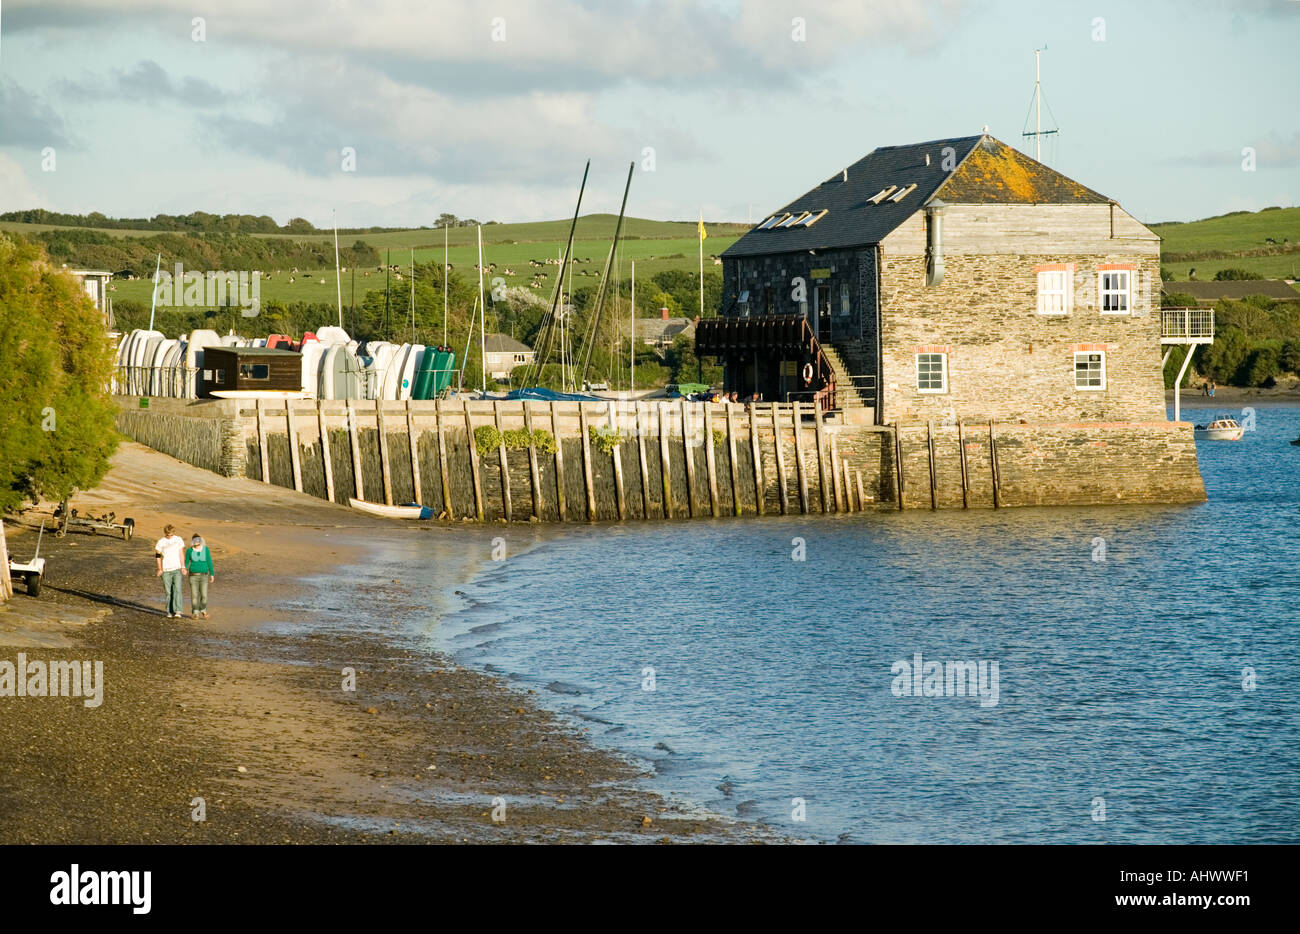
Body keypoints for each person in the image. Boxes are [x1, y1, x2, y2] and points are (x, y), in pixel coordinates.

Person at [154, 524, 187, 618]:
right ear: (165, 533)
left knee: (177, 589)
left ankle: (178, 611)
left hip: (176, 569)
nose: (170, 536)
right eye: (168, 534)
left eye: (171, 534)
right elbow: (157, 555)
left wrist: (183, 566)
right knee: (168, 592)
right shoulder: (161, 542)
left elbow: (181, 553)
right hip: (166, 570)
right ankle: (169, 611)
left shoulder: (178, 540)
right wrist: (160, 569)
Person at [185, 533, 215, 619]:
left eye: (198, 540)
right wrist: (183, 568)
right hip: (193, 576)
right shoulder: (189, 551)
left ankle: (203, 610)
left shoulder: (206, 549)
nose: (197, 541)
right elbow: (186, 562)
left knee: (204, 596)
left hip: (204, 576)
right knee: (194, 596)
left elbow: (209, 561)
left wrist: (212, 574)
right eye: (195, 540)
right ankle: (195, 612)